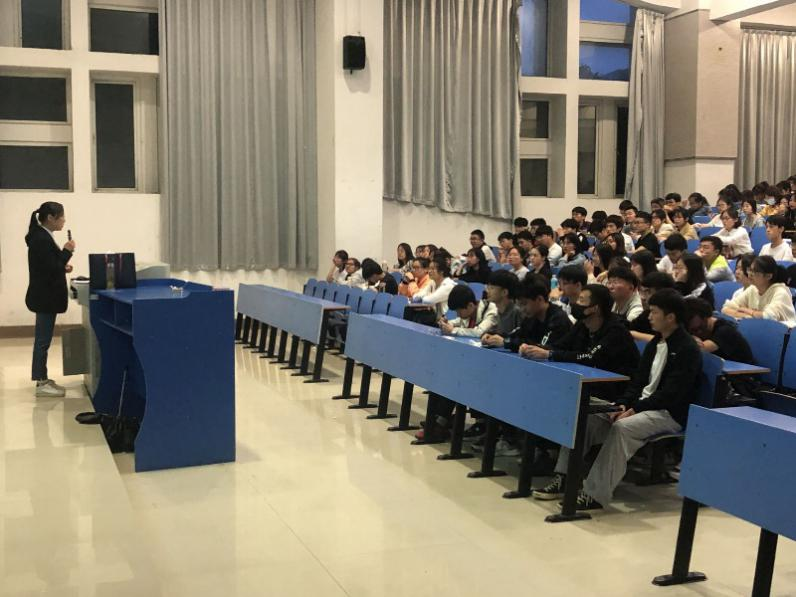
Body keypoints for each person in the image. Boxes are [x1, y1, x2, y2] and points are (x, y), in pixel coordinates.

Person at [533, 290, 701, 510]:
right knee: (584, 419)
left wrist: (635, 409)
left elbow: (671, 394)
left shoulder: (687, 349)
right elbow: (638, 381)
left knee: (622, 428)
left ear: (670, 317)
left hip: (668, 413)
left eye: (654, 312)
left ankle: (595, 494)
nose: (649, 316)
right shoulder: (655, 343)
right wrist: (623, 404)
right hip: (642, 407)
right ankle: (564, 477)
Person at [522, 284, 640, 403]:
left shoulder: (616, 330)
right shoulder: (582, 324)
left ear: (595, 308)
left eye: (581, 300)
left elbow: (590, 357)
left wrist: (550, 354)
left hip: (615, 393)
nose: (576, 303)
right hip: (589, 386)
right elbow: (560, 345)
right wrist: (534, 349)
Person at [25, 201, 75, 398]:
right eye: (61, 217)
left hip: (45, 295)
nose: (64, 220)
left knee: (43, 340)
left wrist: (63, 266)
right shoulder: (41, 239)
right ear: (51, 218)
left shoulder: (42, 236)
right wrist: (67, 251)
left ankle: (43, 378)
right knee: (42, 341)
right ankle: (40, 381)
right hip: (45, 297)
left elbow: (49, 265)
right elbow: (51, 268)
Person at [506, 274, 572, 354]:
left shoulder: (558, 320)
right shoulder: (530, 318)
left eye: (524, 304)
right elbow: (517, 336)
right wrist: (503, 339)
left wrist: (508, 342)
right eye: (520, 305)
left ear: (540, 299)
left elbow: (547, 348)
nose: (522, 309)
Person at [722, 256, 796, 326]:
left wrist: (748, 311)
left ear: (768, 276)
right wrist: (749, 316)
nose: (750, 274)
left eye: (755, 272)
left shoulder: (780, 292)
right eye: (750, 270)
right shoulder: (753, 288)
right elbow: (726, 308)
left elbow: (767, 317)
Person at [684, 297, 754, 363]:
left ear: (706, 317)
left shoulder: (725, 330)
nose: (698, 332)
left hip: (744, 370)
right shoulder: (691, 328)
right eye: (692, 330)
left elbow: (700, 350)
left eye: (700, 327)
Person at [479, 270, 523, 345]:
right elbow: (499, 332)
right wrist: (488, 335)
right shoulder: (498, 310)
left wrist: (504, 341)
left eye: (492, 288)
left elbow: (522, 339)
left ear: (504, 292)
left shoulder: (517, 312)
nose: (487, 291)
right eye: (488, 287)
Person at [630, 272, 676, 342]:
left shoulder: (677, 314)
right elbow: (629, 327)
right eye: (642, 292)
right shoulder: (647, 314)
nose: (642, 297)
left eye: (648, 292)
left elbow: (668, 341)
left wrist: (634, 334)